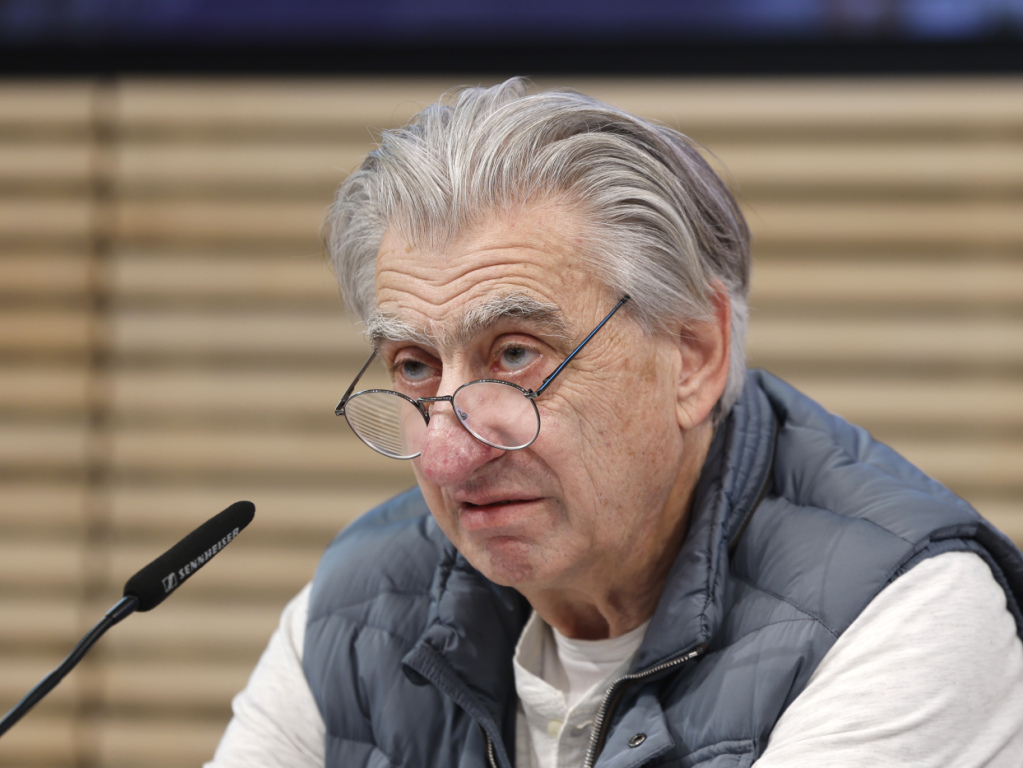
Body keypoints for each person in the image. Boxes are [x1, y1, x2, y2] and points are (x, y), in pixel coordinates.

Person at [207, 78, 1023, 768]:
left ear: (693, 356)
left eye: (515, 355)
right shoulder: (355, 607)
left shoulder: (906, 614)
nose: (447, 457)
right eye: (415, 367)